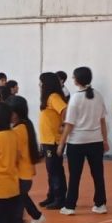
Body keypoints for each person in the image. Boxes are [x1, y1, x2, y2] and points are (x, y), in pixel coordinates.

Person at [58, 67, 109, 215]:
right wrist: (105, 140)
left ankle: (70, 206)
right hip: (96, 141)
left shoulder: (75, 98)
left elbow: (69, 124)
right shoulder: (98, 96)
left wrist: (61, 143)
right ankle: (100, 204)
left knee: (75, 175)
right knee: (98, 174)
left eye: (73, 77)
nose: (72, 79)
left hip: (77, 142)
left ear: (77, 80)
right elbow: (102, 121)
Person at [9, 96, 48, 223]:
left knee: (17, 202)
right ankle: (36, 217)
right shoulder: (26, 125)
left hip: (20, 174)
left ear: (16, 113)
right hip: (25, 174)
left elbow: (15, 154)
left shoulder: (18, 130)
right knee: (22, 198)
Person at [37, 72, 68, 210]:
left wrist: (64, 125)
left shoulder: (53, 97)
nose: (39, 85)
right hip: (47, 140)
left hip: (53, 140)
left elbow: (65, 110)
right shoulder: (47, 98)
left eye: (41, 82)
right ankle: (52, 196)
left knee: (55, 170)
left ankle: (60, 198)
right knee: (51, 170)